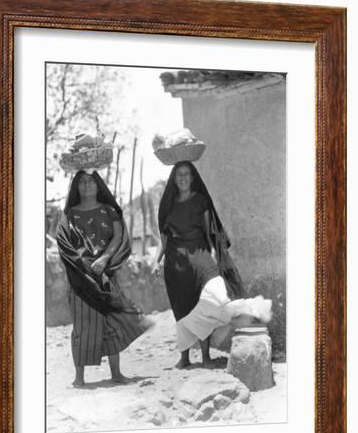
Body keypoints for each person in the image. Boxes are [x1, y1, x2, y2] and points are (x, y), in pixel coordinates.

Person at [152, 161, 272, 368]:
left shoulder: (200, 201)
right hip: (176, 261)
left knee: (212, 298)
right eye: (178, 174)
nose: (183, 178)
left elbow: (210, 231)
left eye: (187, 174)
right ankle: (185, 357)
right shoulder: (168, 204)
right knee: (181, 307)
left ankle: (207, 355)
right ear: (173, 179)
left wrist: (215, 253)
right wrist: (157, 261)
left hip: (200, 253)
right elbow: (164, 237)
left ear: (192, 178)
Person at [56, 171, 152, 387]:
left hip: (105, 273)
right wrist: (83, 266)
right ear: (76, 187)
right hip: (80, 277)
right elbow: (63, 243)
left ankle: (116, 374)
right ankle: (79, 378)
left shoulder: (109, 210)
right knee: (82, 324)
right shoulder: (69, 215)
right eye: (82, 181)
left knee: (112, 321)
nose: (87, 184)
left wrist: (104, 259)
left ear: (98, 185)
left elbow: (118, 236)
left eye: (91, 181)